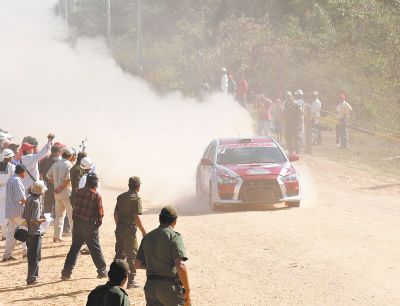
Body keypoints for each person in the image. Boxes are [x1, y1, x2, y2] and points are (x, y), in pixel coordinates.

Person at [135, 206, 191, 306]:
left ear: (160, 219)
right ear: (175, 221)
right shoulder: (174, 236)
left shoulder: (147, 237)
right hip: (169, 288)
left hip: (151, 287)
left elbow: (137, 264)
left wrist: (154, 265)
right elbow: (180, 265)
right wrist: (187, 290)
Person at [61, 173, 107, 280]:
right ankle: (102, 271)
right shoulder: (96, 196)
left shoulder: (79, 192)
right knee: (95, 249)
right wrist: (96, 226)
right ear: (95, 184)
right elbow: (100, 215)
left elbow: (75, 208)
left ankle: (66, 273)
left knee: (74, 249)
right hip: (90, 226)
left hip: (77, 224)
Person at [114, 177, 147, 289]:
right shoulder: (136, 198)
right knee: (132, 255)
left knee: (119, 254)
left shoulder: (121, 197)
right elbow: (136, 216)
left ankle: (114, 278)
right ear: (138, 186)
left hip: (120, 229)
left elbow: (116, 214)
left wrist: (118, 226)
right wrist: (143, 231)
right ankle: (131, 281)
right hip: (129, 230)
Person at [46, 147, 74, 242]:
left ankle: (56, 236)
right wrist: (60, 188)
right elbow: (68, 179)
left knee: (59, 215)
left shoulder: (56, 164)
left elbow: (48, 175)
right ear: (70, 156)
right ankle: (75, 237)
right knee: (71, 216)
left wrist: (56, 185)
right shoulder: (69, 165)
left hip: (57, 194)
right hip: (66, 193)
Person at [24, 180, 47, 285]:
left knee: (31, 255)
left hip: (28, 231)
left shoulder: (29, 198)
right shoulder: (36, 202)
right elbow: (34, 219)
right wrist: (44, 220)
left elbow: (24, 215)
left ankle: (32, 276)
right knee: (36, 256)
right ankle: (31, 277)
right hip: (35, 232)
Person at [3, 164, 27, 261]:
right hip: (18, 211)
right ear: (22, 172)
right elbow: (21, 198)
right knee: (26, 230)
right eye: (25, 172)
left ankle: (6, 255)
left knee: (11, 234)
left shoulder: (11, 179)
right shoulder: (17, 180)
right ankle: (27, 253)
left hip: (10, 211)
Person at [39, 143, 63, 215]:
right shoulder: (60, 161)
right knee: (57, 207)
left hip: (47, 187)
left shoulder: (44, 159)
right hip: (57, 187)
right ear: (58, 152)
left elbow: (41, 175)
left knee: (47, 207)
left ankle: (46, 223)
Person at [0, 149, 16, 240]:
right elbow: (14, 180)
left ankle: (3, 234)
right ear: (9, 157)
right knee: (6, 213)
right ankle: (4, 235)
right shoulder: (12, 166)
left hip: (0, 189)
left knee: (1, 211)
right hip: (7, 190)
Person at [283, 91, 302, 156]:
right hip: (288, 124)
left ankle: (297, 151)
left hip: (295, 125)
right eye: (287, 98)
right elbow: (284, 114)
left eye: (289, 98)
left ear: (292, 97)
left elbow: (299, 115)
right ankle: (290, 150)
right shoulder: (286, 105)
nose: (288, 99)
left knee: (296, 138)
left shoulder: (296, 105)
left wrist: (300, 124)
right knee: (287, 137)